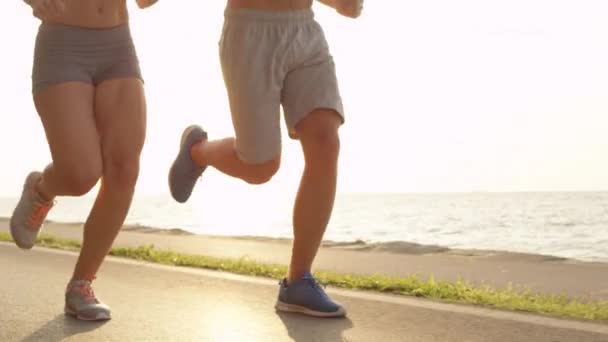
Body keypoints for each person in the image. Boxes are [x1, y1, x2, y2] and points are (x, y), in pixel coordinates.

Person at [169, 0, 363, 317]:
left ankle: (298, 281)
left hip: (305, 30)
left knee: (326, 143)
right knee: (260, 167)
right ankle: (197, 151)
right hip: (250, 29)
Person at [11, 0, 157, 321]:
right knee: (80, 175)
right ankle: (41, 189)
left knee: (123, 169)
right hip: (62, 44)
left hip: (118, 44)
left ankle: (82, 284)